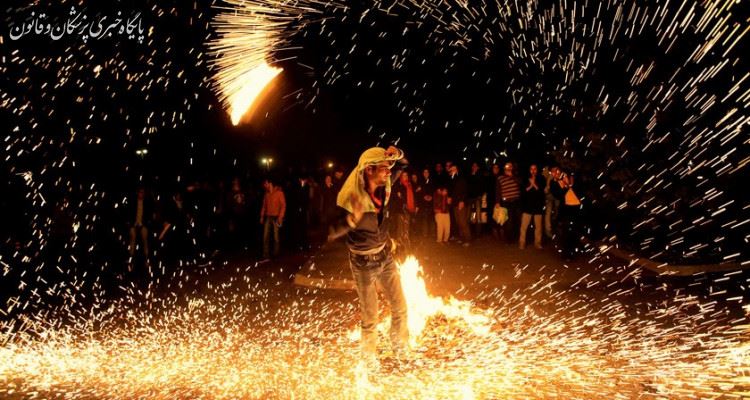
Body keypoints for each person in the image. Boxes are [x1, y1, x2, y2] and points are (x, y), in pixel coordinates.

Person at [328, 146, 410, 371]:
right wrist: (350, 221)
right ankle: (369, 362)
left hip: (385, 256)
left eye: (388, 168)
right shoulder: (349, 197)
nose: (388, 172)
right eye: (383, 168)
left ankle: (401, 350)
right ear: (369, 169)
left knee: (400, 307)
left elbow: (403, 164)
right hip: (363, 263)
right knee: (370, 317)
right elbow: (331, 231)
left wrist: (397, 154)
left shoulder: (385, 183)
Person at [519, 164, 545, 250]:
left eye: (535, 169)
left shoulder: (541, 178)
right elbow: (524, 191)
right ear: (529, 170)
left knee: (538, 227)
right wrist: (531, 185)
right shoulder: (525, 179)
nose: (533, 170)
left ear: (537, 170)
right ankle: (522, 242)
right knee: (524, 226)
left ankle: (537, 243)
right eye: (531, 169)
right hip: (527, 206)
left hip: (538, 206)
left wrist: (534, 184)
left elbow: (541, 191)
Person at [260, 178, 286, 260]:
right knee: (265, 236)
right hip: (268, 217)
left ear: (269, 183)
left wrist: (280, 217)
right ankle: (265, 254)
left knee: (276, 237)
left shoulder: (279, 193)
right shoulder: (266, 194)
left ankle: (276, 254)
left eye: (265, 184)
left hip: (276, 217)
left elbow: (283, 205)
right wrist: (261, 216)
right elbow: (264, 206)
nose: (264, 186)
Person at [495, 162, 521, 243]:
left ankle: (516, 237)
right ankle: (509, 239)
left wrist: (512, 176)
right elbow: (498, 191)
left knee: (517, 220)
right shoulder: (500, 178)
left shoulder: (516, 177)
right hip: (506, 202)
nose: (509, 168)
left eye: (510, 166)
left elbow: (520, 183)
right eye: (507, 166)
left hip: (516, 201)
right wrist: (497, 201)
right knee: (508, 221)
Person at [448, 164, 471, 246]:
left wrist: (462, 201)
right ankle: (462, 238)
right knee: (458, 222)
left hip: (461, 203)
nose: (452, 170)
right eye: (451, 169)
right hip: (455, 203)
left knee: (462, 221)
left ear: (457, 169)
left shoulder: (461, 178)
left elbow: (464, 190)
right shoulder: (452, 179)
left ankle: (467, 240)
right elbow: (452, 190)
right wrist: (450, 197)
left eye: (454, 168)